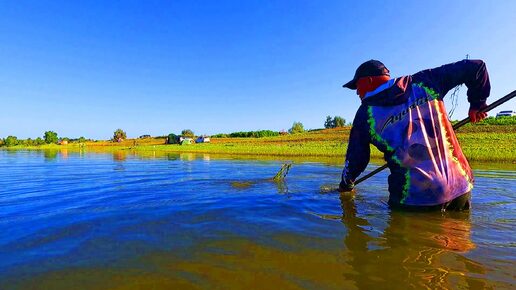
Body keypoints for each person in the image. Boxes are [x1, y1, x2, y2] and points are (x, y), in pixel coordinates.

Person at [339, 59, 490, 211]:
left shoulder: (365, 115)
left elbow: (355, 160)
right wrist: (478, 103)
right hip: (460, 188)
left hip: (413, 200)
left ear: (369, 80)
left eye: (356, 86)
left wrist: (346, 184)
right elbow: (476, 67)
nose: (357, 92)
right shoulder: (425, 81)